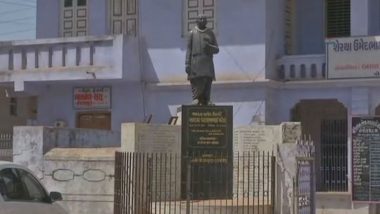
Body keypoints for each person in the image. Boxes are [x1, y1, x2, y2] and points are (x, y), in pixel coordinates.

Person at [185, 14, 219, 105]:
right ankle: (196, 98)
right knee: (196, 80)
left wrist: (210, 47)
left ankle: (207, 99)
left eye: (204, 18)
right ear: (197, 21)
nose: (203, 20)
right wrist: (187, 63)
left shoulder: (210, 33)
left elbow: (217, 49)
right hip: (195, 61)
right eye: (200, 18)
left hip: (207, 61)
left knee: (207, 80)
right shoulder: (192, 33)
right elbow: (189, 49)